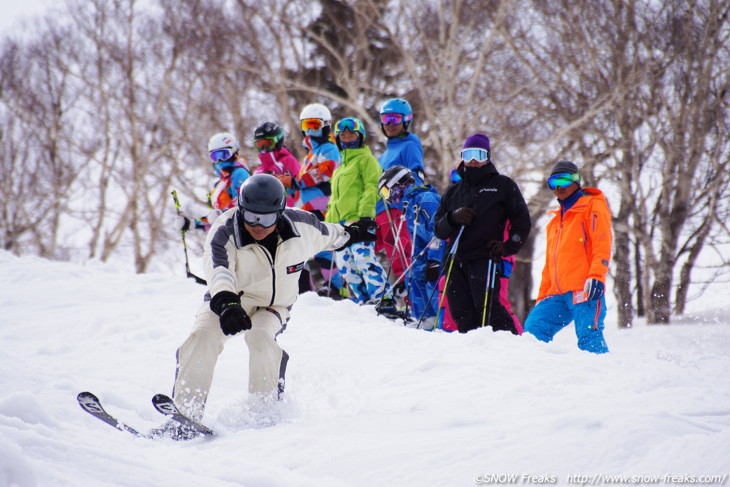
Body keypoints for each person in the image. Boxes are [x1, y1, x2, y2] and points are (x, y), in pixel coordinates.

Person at [168, 174, 377, 436]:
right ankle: (185, 414)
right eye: (251, 216)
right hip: (230, 299)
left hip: (274, 306)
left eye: (266, 218)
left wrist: (354, 232)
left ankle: (264, 412)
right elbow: (218, 268)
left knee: (260, 338)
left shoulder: (302, 227)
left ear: (280, 213)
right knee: (202, 338)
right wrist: (226, 302)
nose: (257, 225)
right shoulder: (224, 230)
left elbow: (330, 234)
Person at [433, 133, 531, 334]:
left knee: (488, 310)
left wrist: (507, 247)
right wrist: (453, 217)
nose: (474, 161)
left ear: (488, 157)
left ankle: (515, 346)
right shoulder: (453, 192)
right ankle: (473, 354)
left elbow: (522, 223)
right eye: (469, 155)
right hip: (454, 261)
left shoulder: (503, 186)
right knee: (461, 313)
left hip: (483, 258)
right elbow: (438, 230)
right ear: (462, 157)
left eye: (479, 154)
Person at [523, 160, 612, 354]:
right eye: (553, 182)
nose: (558, 187)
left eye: (563, 180)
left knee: (589, 337)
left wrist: (596, 276)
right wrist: (543, 296)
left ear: (577, 181)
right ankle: (536, 377)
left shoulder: (592, 207)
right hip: (557, 293)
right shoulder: (555, 222)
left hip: (584, 288)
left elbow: (602, 243)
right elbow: (549, 263)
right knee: (533, 332)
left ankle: (605, 378)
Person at [325, 117, 390, 304]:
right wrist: (328, 226)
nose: (347, 138)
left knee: (363, 260)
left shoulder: (366, 160)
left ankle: (383, 299)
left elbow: (372, 186)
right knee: (345, 266)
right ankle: (364, 300)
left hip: (359, 219)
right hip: (340, 224)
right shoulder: (340, 167)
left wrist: (366, 215)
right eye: (343, 136)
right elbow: (334, 200)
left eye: (352, 134)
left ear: (360, 137)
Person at [378, 165, 444, 330]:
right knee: (415, 277)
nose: (387, 198)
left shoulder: (426, 199)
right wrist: (410, 272)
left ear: (399, 184)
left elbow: (438, 231)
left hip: (441, 252)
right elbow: (419, 243)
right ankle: (426, 318)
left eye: (386, 192)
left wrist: (434, 260)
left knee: (432, 282)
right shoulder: (409, 208)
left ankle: (441, 321)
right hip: (427, 254)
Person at [293, 103, 344, 298]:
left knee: (323, 245)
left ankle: (338, 285)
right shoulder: (311, 153)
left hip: (322, 205)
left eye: (314, 125)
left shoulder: (328, 148)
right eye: (306, 125)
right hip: (309, 206)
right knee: (313, 247)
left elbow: (327, 169)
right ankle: (318, 287)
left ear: (326, 125)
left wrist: (296, 181)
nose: (310, 130)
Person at [375, 98, 425, 282]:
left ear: (406, 120)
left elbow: (416, 175)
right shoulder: (385, 154)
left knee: (399, 254)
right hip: (379, 211)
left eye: (394, 119)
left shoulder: (410, 145)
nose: (389, 124)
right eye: (385, 119)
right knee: (363, 250)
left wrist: (409, 198)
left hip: (396, 210)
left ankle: (410, 297)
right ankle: (372, 295)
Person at [180, 132, 251, 232]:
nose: (219, 160)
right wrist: (192, 224)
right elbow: (215, 221)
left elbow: (246, 209)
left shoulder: (239, 174)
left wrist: (221, 215)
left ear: (234, 152)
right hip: (226, 234)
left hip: (240, 233)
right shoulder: (221, 182)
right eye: (215, 156)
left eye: (224, 155)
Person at [252, 121, 301, 208]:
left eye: (267, 143)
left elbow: (299, 186)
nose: (264, 149)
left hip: (288, 210)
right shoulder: (259, 170)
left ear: (278, 141)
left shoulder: (289, 161)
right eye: (259, 145)